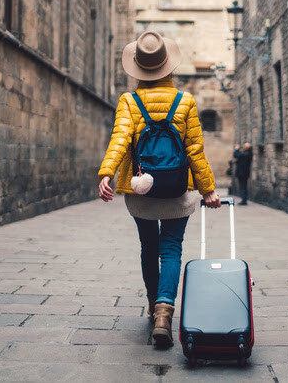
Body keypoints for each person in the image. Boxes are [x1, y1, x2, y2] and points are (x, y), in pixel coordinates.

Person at [97, 31, 221, 349]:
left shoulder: (129, 101)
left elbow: (120, 139)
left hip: (141, 192)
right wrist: (208, 189)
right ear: (169, 67)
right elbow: (194, 150)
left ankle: (153, 307)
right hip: (179, 191)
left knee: (149, 248)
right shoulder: (186, 102)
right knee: (172, 248)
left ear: (138, 68)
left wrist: (107, 173)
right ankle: (166, 312)